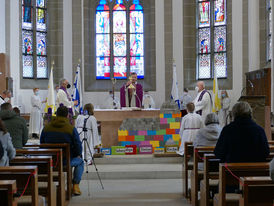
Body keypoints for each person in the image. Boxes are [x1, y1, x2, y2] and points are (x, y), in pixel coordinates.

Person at [40, 106, 84, 195]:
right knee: (80, 162)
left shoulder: (46, 127)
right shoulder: (71, 128)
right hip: (65, 161)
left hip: (50, 161)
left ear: (56, 115)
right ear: (67, 116)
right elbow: (78, 145)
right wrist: (77, 154)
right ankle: (75, 185)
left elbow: (41, 143)